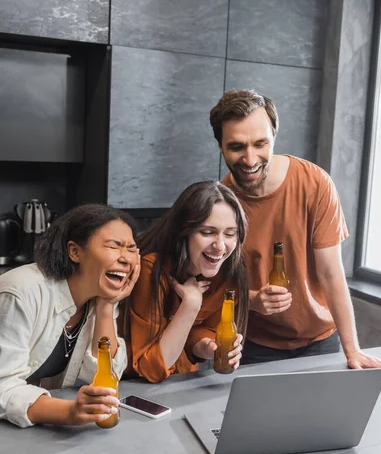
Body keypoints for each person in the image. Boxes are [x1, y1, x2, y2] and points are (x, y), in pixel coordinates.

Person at [209, 89, 381, 378]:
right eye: (237, 147)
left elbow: (331, 273)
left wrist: (353, 350)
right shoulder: (221, 202)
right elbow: (214, 285)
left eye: (261, 144)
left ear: (274, 136)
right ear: (220, 146)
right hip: (255, 344)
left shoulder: (315, 183)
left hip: (320, 340)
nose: (250, 159)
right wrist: (252, 300)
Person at [0, 204, 141, 428]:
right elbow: (3, 387)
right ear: (75, 251)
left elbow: (102, 380)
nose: (126, 258)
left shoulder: (98, 296)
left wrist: (106, 307)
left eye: (132, 248)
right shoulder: (21, 292)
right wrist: (69, 412)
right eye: (114, 246)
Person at [124, 181, 248, 382]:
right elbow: (151, 368)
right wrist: (190, 305)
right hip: (131, 387)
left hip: (181, 383)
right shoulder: (150, 269)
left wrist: (207, 347)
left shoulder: (229, 273)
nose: (220, 246)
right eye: (207, 232)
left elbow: (199, 333)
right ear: (184, 232)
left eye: (230, 234)